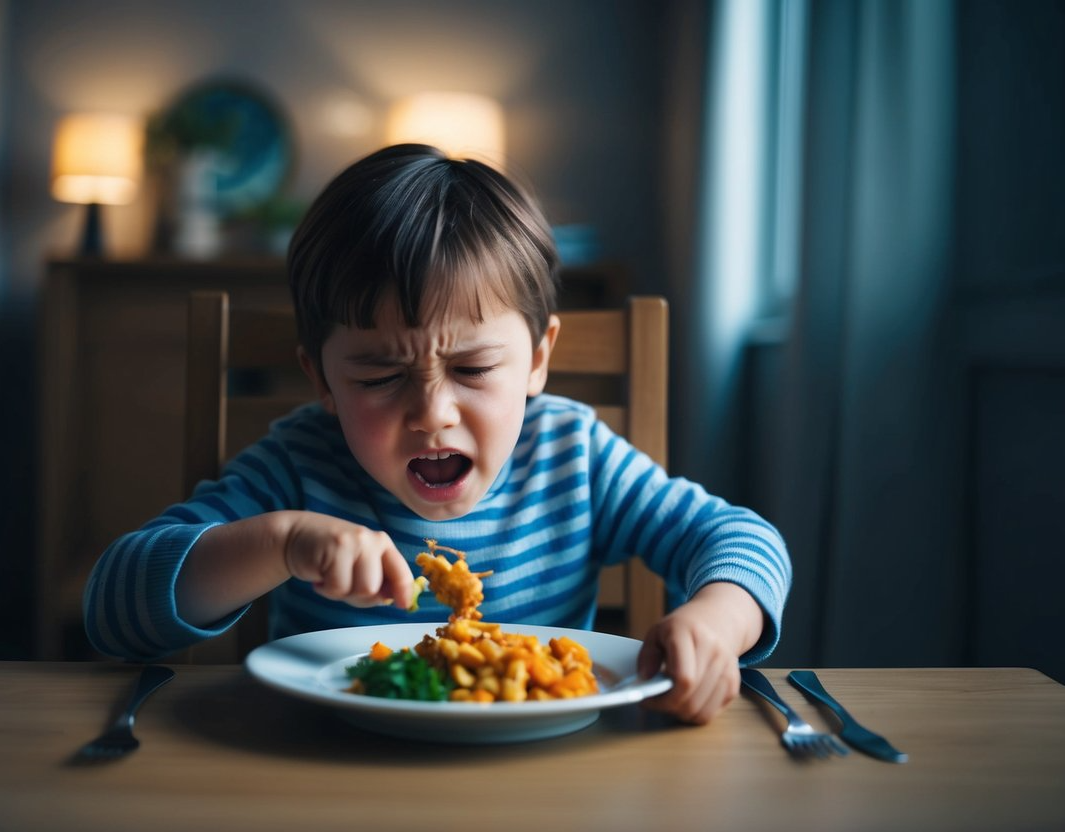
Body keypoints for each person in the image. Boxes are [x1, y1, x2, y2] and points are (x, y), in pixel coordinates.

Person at [84, 144, 791, 724]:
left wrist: (715, 623)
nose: (431, 412)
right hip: (328, 771)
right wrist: (279, 543)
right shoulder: (297, 469)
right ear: (322, 380)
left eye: (473, 367)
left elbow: (744, 540)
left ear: (537, 359)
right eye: (378, 376)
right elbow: (115, 612)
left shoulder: (573, 457)